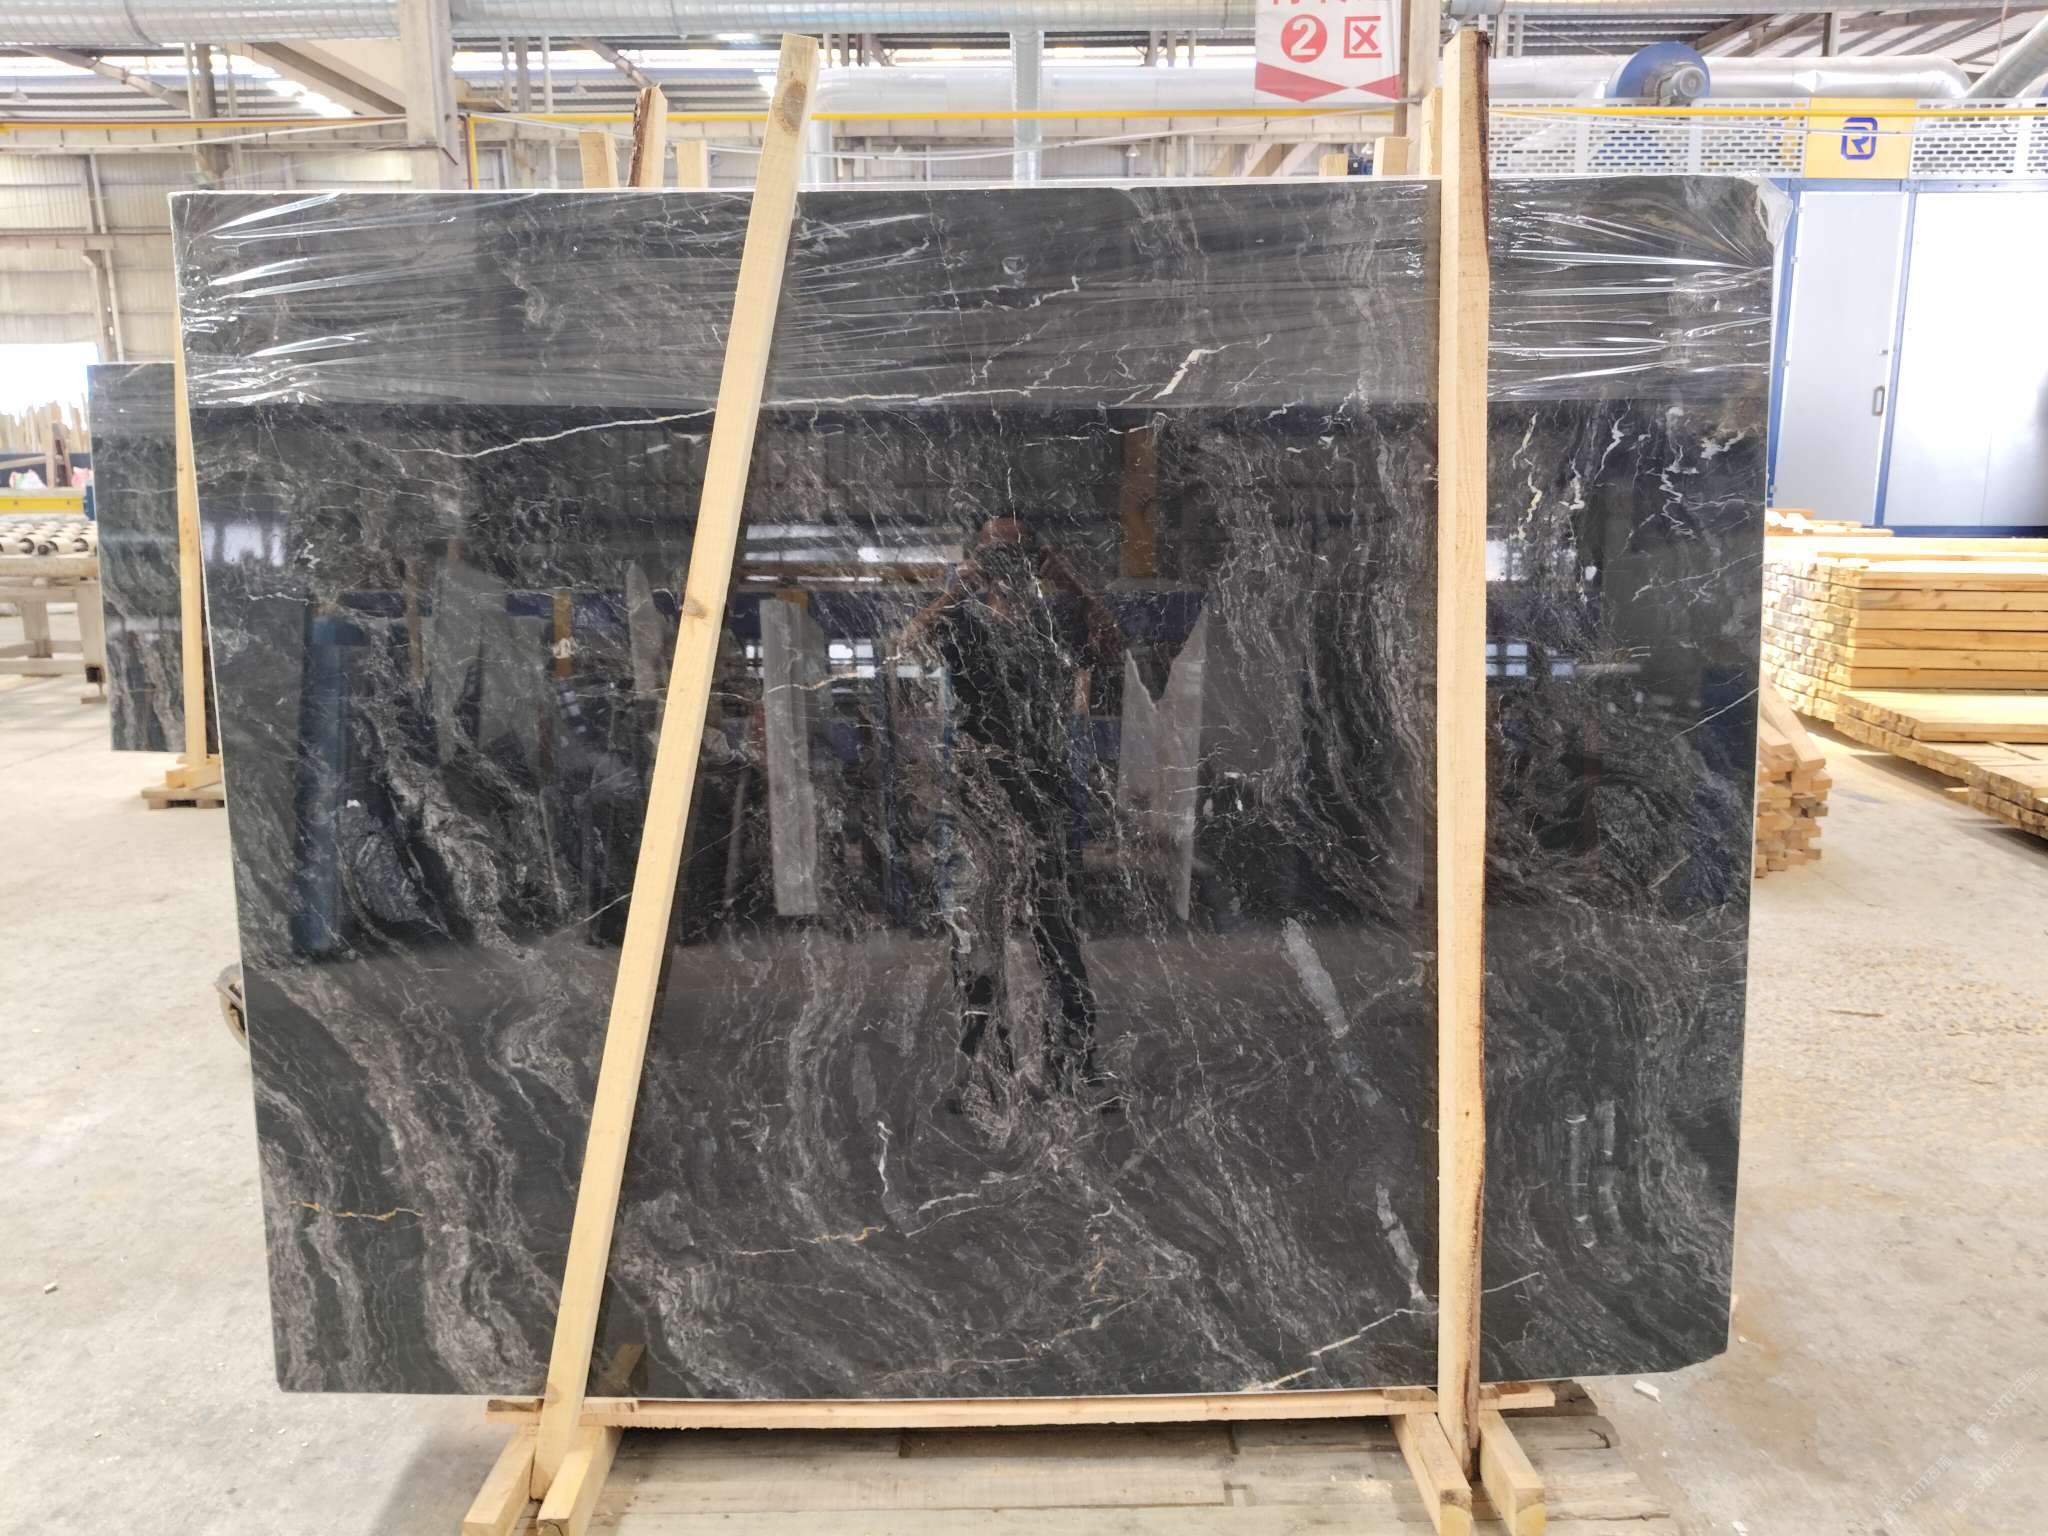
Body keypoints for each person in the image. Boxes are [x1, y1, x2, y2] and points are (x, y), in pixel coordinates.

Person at [905, 518, 1123, 1112]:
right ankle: (986, 1073)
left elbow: (1112, 643)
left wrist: (1069, 578)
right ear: (978, 555)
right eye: (994, 550)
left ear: (1034, 557)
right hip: (980, 798)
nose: (1006, 561)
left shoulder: (1056, 621)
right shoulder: (964, 620)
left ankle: (1074, 1068)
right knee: (977, 941)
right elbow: (912, 641)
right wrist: (959, 585)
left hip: (1043, 796)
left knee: (1058, 937)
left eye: (1017, 550)